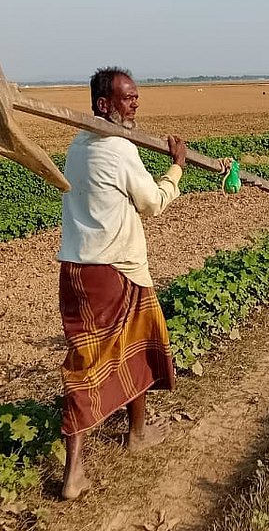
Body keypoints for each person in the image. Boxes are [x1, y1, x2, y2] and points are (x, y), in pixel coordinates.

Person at [55, 66, 188, 499]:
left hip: (75, 270)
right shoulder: (118, 148)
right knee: (136, 349)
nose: (135, 104)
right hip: (116, 271)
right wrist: (176, 169)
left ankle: (88, 462)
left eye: (135, 96)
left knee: (85, 361)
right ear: (103, 105)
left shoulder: (78, 145)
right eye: (127, 98)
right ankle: (129, 438)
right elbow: (152, 203)